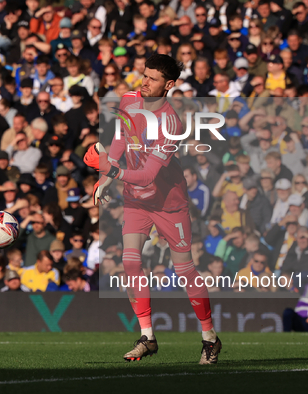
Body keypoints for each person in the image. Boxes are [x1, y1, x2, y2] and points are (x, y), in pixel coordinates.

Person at [83, 54, 220, 364]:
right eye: (144, 75)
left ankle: (210, 338)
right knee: (130, 262)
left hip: (169, 203)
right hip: (136, 200)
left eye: (152, 78)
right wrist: (107, 174)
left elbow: (147, 175)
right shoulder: (130, 99)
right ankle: (148, 337)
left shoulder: (171, 123)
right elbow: (120, 138)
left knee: (184, 270)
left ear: (169, 85)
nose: (144, 82)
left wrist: (110, 170)